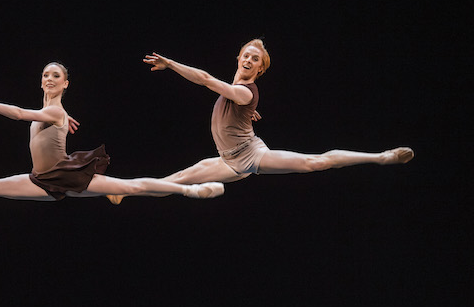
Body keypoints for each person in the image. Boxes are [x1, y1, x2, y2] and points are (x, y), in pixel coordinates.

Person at [107, 39, 413, 204]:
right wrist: (247, 112)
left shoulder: (243, 91)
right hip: (227, 161)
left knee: (314, 163)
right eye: (247, 55)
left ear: (260, 69)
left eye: (256, 59)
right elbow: (232, 108)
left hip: (252, 154)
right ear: (238, 58)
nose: (250, 60)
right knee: (175, 180)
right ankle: (121, 190)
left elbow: (204, 79)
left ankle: (381, 157)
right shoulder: (240, 95)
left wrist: (170, 63)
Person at [0, 62, 224, 201]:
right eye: (46, 75)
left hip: (68, 175)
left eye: (56, 76)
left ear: (66, 83)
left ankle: (189, 192)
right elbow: (40, 118)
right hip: (41, 178)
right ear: (41, 81)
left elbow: (22, 114)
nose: (49, 78)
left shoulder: (54, 110)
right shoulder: (54, 113)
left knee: (133, 185)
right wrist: (62, 122)